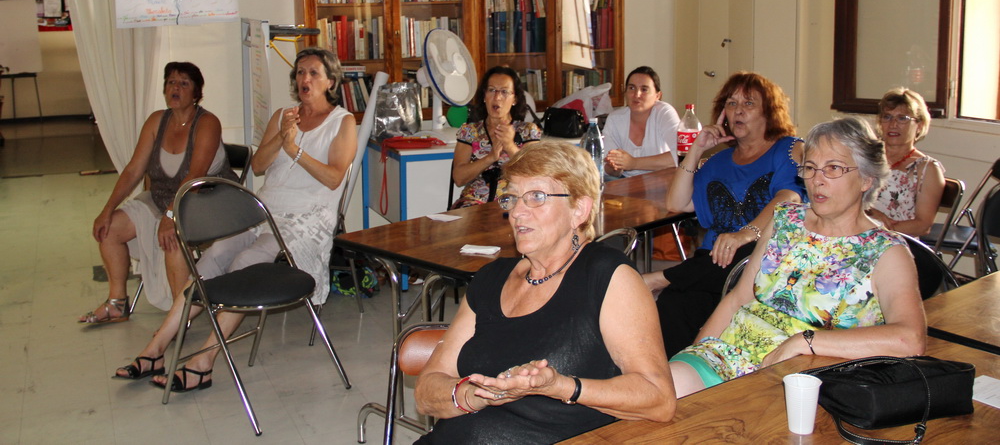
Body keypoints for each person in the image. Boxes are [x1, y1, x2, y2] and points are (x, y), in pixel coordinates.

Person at [113, 47, 357, 388]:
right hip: (264, 210)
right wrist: (281, 138)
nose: (305, 79)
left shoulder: (343, 122)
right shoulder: (283, 115)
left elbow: (333, 178)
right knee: (214, 255)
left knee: (245, 262)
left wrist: (295, 150)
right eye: (300, 72)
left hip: (306, 217)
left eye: (314, 73)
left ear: (330, 81)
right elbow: (258, 166)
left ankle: (204, 360)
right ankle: (156, 348)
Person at [415, 142, 675, 443]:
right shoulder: (490, 279)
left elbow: (659, 399)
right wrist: (477, 394)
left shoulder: (606, 276)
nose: (517, 212)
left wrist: (561, 387)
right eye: (511, 198)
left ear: (579, 209)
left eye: (536, 197)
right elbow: (426, 392)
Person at [669, 116, 927, 397]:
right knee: (662, 388)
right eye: (811, 168)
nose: (817, 180)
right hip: (727, 355)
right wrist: (695, 351)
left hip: (800, 378)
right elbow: (738, 299)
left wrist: (806, 341)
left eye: (833, 168)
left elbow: (909, 339)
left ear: (867, 178)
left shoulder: (885, 251)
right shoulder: (785, 220)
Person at [642, 72, 806, 356]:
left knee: (744, 253)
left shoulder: (788, 148)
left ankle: (660, 277)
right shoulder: (717, 161)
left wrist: (746, 234)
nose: (738, 111)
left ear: (769, 111)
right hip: (711, 264)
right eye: (731, 103)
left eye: (749, 103)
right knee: (674, 303)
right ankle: (673, 374)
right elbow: (677, 203)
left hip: (762, 259)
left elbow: (789, 198)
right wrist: (696, 149)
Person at [79, 62, 235, 323]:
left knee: (173, 238)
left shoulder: (207, 123)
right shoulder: (156, 121)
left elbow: (194, 175)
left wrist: (170, 216)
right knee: (109, 229)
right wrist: (107, 210)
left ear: (196, 93)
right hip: (163, 199)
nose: (176, 88)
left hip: (204, 199)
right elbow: (133, 170)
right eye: (171, 82)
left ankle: (178, 318)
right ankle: (117, 303)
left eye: (184, 83)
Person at [450, 66, 541, 208]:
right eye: (492, 90)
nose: (497, 97)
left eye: (504, 92)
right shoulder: (469, 131)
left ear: (515, 99)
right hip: (474, 202)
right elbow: (459, 178)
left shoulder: (527, 131)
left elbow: (534, 173)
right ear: (484, 96)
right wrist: (490, 158)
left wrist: (510, 146)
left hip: (514, 201)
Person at [866, 87, 945, 236]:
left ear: (919, 125)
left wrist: (875, 230)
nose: (893, 124)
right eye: (887, 117)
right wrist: (868, 212)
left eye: (902, 118)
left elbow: (923, 226)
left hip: (895, 241)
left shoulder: (927, 168)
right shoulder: (866, 156)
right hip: (854, 233)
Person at [603, 66, 681, 178]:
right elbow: (607, 168)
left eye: (644, 89)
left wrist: (634, 163)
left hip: (661, 180)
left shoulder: (664, 112)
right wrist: (614, 166)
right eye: (631, 88)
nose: (637, 94)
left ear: (657, 96)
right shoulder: (614, 119)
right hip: (626, 181)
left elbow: (681, 155)